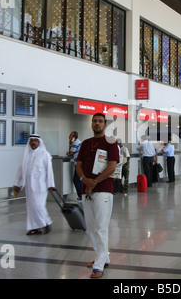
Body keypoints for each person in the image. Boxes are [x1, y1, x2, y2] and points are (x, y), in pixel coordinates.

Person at [76, 113, 119, 278]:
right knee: (91, 229)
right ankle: (103, 257)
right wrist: (84, 180)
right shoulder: (86, 143)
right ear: (91, 124)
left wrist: (94, 182)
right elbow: (78, 165)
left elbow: (112, 166)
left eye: (100, 121)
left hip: (103, 191)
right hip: (86, 191)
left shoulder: (111, 142)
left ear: (105, 124)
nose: (97, 123)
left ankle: (99, 264)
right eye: (94, 121)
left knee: (101, 228)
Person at [14, 134, 55, 236]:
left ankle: (46, 223)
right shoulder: (27, 154)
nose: (33, 143)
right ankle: (35, 228)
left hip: (40, 186)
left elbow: (49, 170)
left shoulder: (45, 154)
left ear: (39, 142)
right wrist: (17, 184)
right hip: (29, 186)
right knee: (31, 207)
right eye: (31, 141)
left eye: (35, 141)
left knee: (38, 206)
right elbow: (21, 170)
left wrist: (51, 184)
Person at [66, 131, 82, 200]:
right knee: (79, 180)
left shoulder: (75, 143)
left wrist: (70, 143)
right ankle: (81, 195)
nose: (69, 137)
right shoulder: (78, 142)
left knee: (76, 180)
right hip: (80, 163)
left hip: (78, 164)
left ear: (74, 137)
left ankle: (80, 196)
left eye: (70, 136)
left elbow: (70, 153)